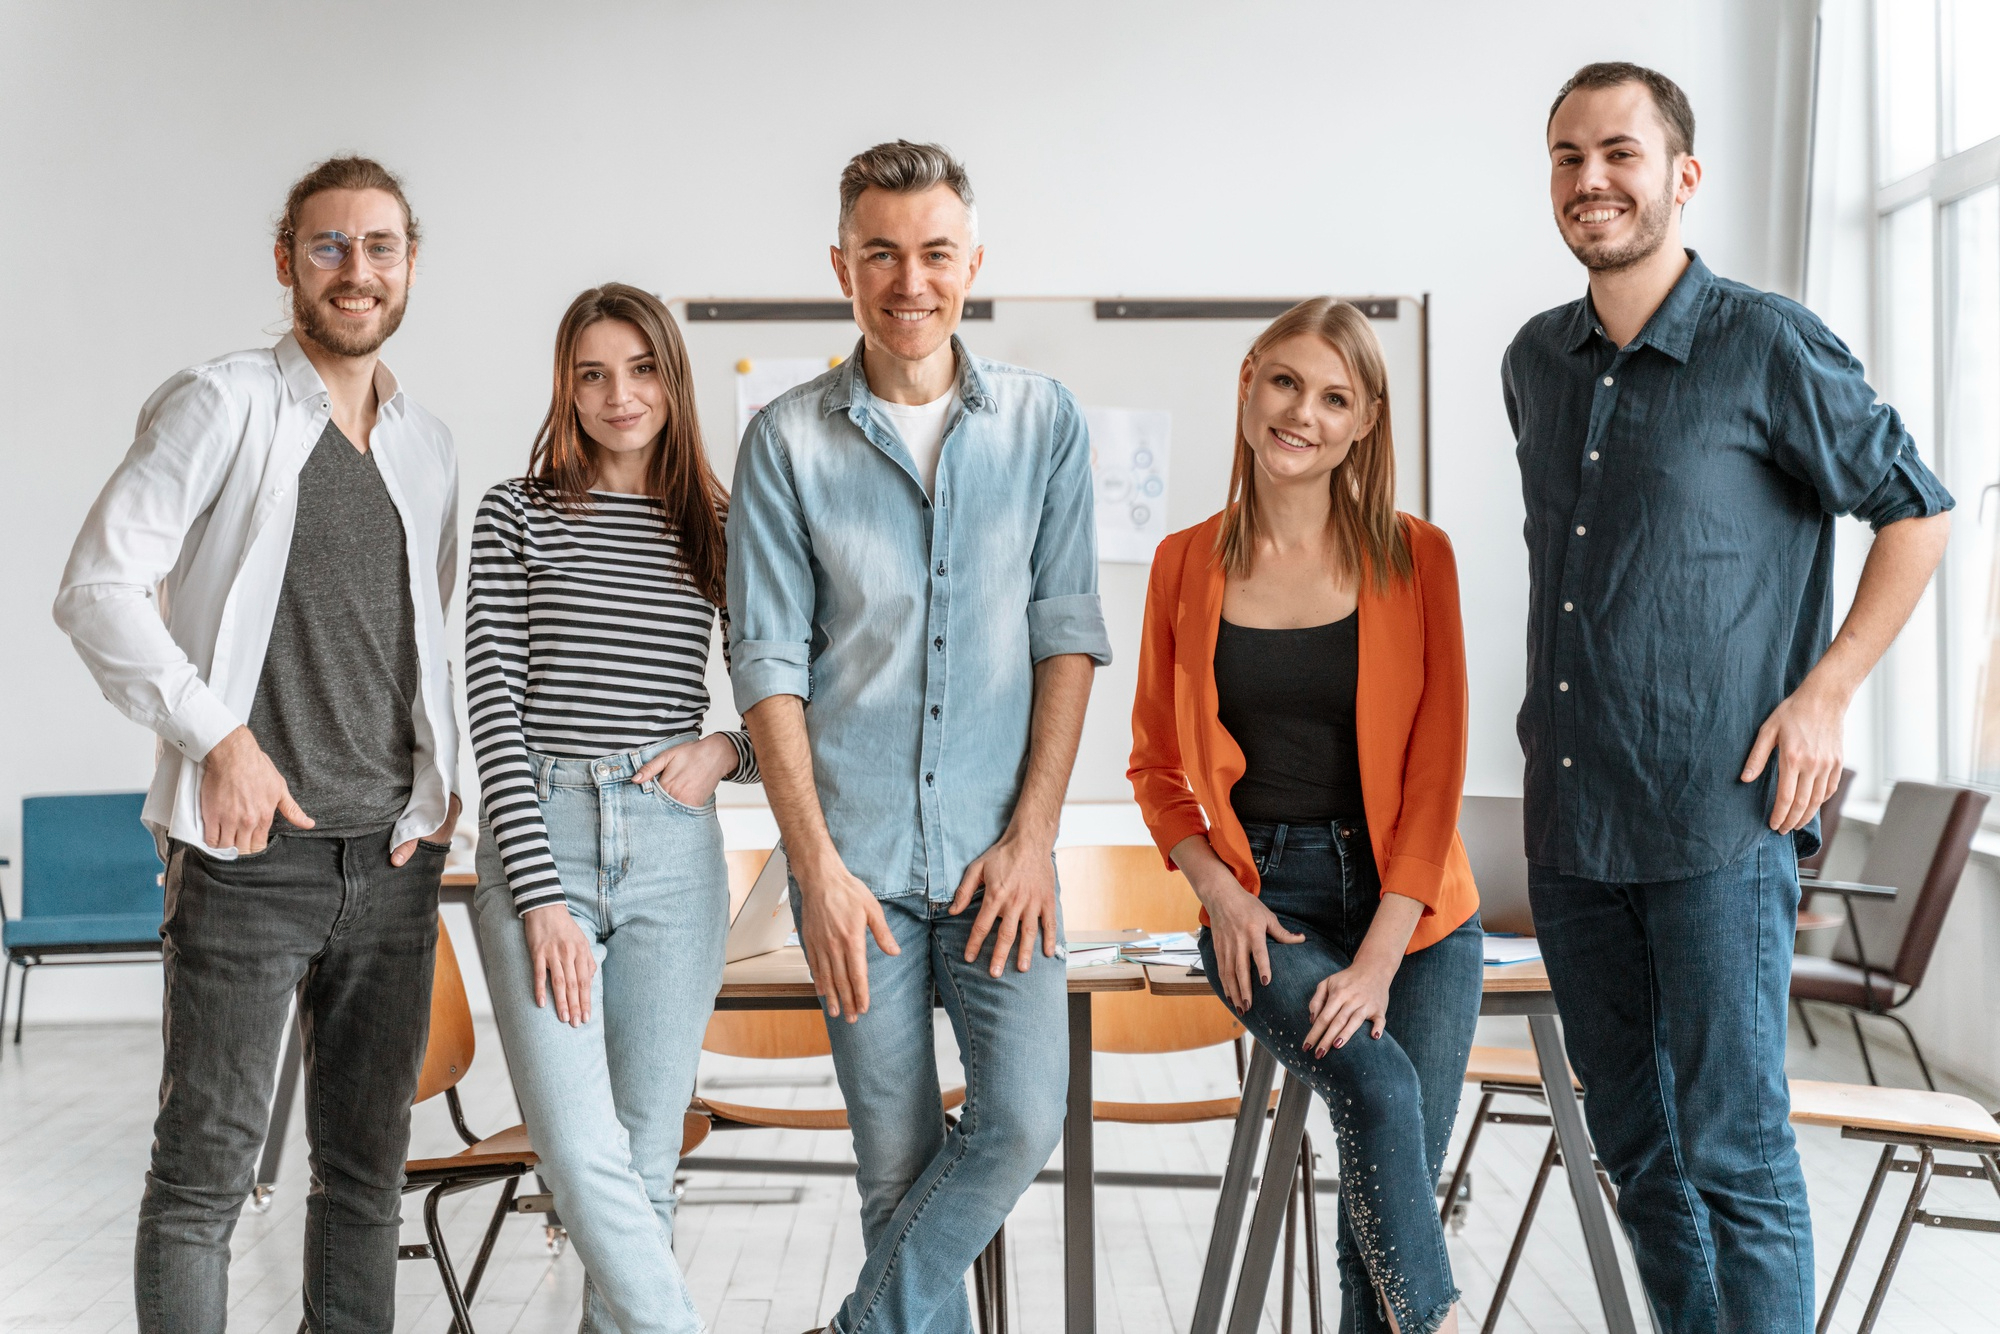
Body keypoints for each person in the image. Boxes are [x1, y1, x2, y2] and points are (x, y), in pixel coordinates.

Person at [1506, 63, 1953, 1331]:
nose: (1589, 180)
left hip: (1716, 822)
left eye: (1619, 155)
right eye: (1565, 157)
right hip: (1575, 825)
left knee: (1733, 1153)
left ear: (1680, 176)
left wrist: (1824, 694)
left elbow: (1913, 511)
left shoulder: (1768, 341)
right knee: (1636, 1152)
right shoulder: (1533, 362)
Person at [53, 156, 461, 1334]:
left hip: (389, 861)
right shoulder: (222, 401)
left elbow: (420, 645)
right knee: (204, 1178)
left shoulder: (426, 444)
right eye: (329, 246)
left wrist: (441, 797)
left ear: (409, 265)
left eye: (379, 247)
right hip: (248, 859)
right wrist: (217, 733)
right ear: (285, 260)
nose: (356, 270)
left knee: (363, 1177)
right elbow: (96, 587)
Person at [726, 140, 1110, 1334]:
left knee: (1019, 1118)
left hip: (1004, 865)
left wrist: (1034, 836)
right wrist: (816, 870)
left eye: (934, 252)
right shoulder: (785, 440)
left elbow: (1066, 636)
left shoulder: (1044, 424)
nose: (908, 279)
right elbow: (768, 668)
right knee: (893, 1170)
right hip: (859, 881)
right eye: (880, 253)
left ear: (972, 262)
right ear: (839, 266)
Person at [1129, 299, 1480, 1334]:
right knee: (1372, 1085)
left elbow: (1435, 769)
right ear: (1247, 379)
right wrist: (1221, 896)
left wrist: (1379, 955)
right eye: (1285, 382)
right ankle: (1443, 1322)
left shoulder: (1419, 558)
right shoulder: (1183, 563)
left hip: (1414, 913)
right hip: (1265, 903)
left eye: (1334, 398)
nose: (1301, 414)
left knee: (1382, 1190)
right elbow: (1155, 766)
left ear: (1363, 420)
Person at [464, 283, 757, 1333]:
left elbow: (795, 696)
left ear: (672, 380)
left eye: (639, 369)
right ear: (565, 386)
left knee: (643, 1156)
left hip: (673, 846)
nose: (617, 394)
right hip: (542, 834)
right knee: (581, 1151)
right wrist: (537, 893)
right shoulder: (515, 511)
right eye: (591, 373)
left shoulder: (720, 526)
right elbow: (490, 704)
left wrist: (728, 748)